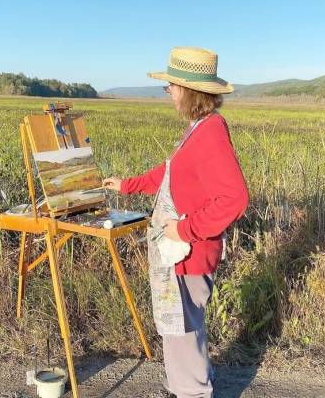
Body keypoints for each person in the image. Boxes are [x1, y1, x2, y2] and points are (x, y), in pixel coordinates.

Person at [103, 47, 249, 398]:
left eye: (170, 87)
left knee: (183, 327)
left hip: (190, 253)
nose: (168, 93)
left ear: (188, 91)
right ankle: (187, 382)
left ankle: (194, 391)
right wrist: (129, 185)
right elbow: (171, 174)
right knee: (182, 325)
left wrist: (183, 229)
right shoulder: (198, 128)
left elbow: (234, 198)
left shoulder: (211, 132)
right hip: (184, 252)